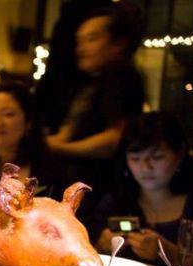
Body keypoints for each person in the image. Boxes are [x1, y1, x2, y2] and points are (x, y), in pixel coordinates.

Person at [45, 4, 144, 212]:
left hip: (101, 194)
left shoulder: (123, 79)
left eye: (92, 39)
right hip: (77, 190)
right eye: (79, 41)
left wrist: (57, 148)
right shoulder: (89, 83)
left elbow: (113, 140)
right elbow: (66, 133)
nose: (81, 48)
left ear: (117, 44)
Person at [91, 112, 193, 266]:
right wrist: (101, 245)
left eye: (157, 157)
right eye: (135, 158)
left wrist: (165, 251)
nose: (145, 167)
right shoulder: (115, 201)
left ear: (180, 154)